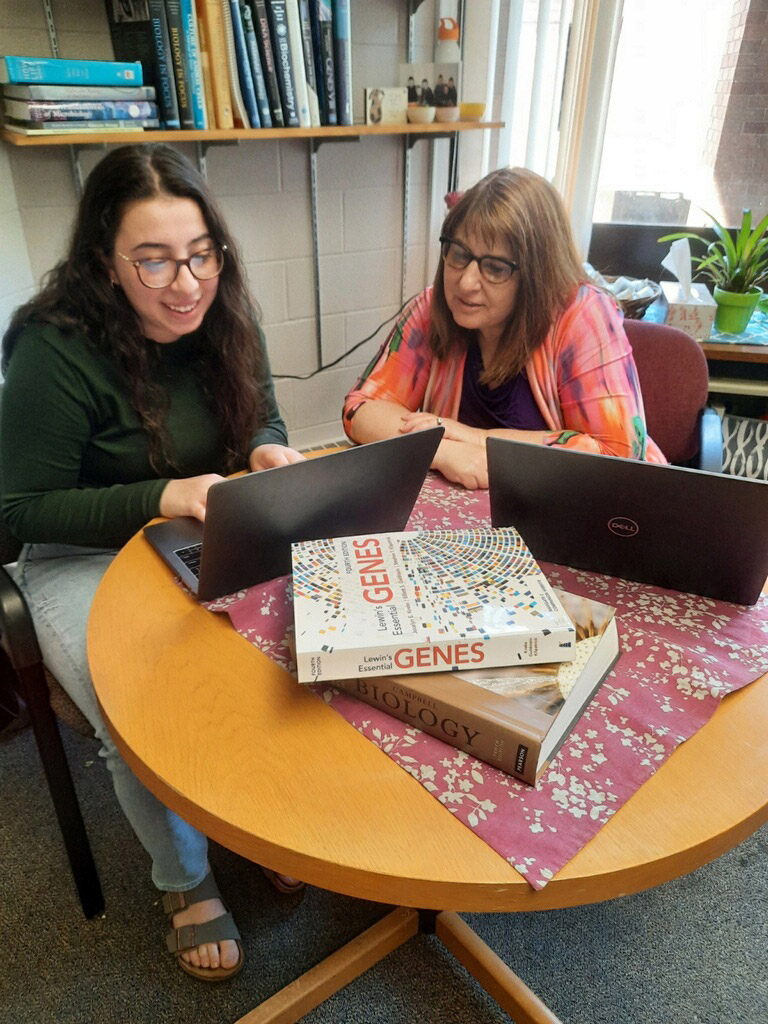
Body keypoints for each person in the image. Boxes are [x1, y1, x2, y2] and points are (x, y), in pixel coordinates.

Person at [0, 144, 307, 982]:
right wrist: (161, 495)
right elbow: (15, 512)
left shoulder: (225, 311)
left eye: (202, 253)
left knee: (291, 643)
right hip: (76, 550)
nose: (187, 284)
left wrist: (270, 452)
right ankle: (187, 879)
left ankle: (261, 819)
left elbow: (266, 418)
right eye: (155, 260)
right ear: (105, 262)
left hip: (201, 517)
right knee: (133, 704)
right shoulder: (52, 349)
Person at [343, 167, 666, 490]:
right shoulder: (433, 308)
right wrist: (442, 450)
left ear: (537, 275)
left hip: (577, 510)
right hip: (471, 519)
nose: (466, 283)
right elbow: (360, 411)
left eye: (495, 268)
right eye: (458, 254)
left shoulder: (582, 314)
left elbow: (618, 455)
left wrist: (478, 438)